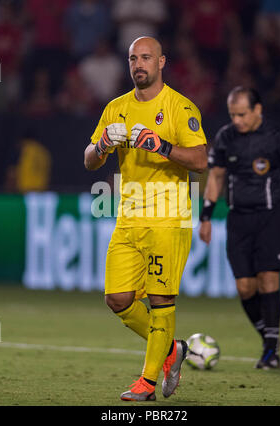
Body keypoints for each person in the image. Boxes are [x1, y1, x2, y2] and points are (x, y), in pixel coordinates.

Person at [84, 36, 207, 401]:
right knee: (118, 299)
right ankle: (173, 351)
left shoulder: (179, 108)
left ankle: (148, 383)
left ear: (161, 62)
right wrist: (103, 143)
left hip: (168, 218)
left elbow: (201, 161)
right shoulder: (116, 108)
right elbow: (90, 159)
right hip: (128, 218)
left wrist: (162, 146)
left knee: (160, 300)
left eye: (146, 58)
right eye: (133, 58)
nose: (139, 64)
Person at [199, 86, 280, 369]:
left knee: (268, 279)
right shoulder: (226, 137)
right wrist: (206, 217)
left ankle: (269, 351)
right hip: (238, 219)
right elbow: (215, 177)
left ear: (257, 110)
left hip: (271, 215)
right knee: (244, 287)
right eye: (232, 114)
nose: (237, 120)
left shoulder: (278, 138)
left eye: (242, 114)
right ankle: (269, 336)